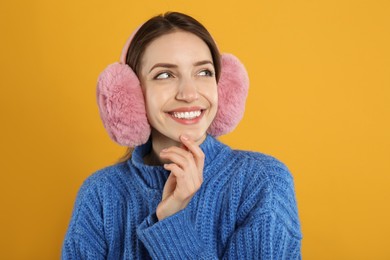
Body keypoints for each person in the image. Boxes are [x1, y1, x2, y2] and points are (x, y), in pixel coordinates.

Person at [62, 11, 302, 259]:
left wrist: (172, 221)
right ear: (131, 94)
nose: (189, 93)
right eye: (164, 75)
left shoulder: (263, 182)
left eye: (204, 72)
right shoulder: (99, 194)